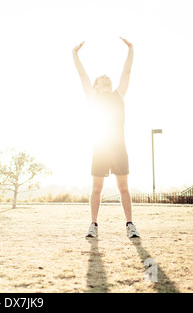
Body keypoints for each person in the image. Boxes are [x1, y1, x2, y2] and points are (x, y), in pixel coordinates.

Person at [72, 37, 140, 238]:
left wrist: (131, 49)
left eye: (108, 77)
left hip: (119, 148)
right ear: (96, 85)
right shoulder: (93, 97)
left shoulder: (118, 95)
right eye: (102, 78)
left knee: (123, 187)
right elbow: (83, 76)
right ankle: (93, 225)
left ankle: (130, 225)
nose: (107, 78)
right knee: (97, 188)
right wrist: (75, 54)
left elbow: (126, 72)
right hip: (100, 147)